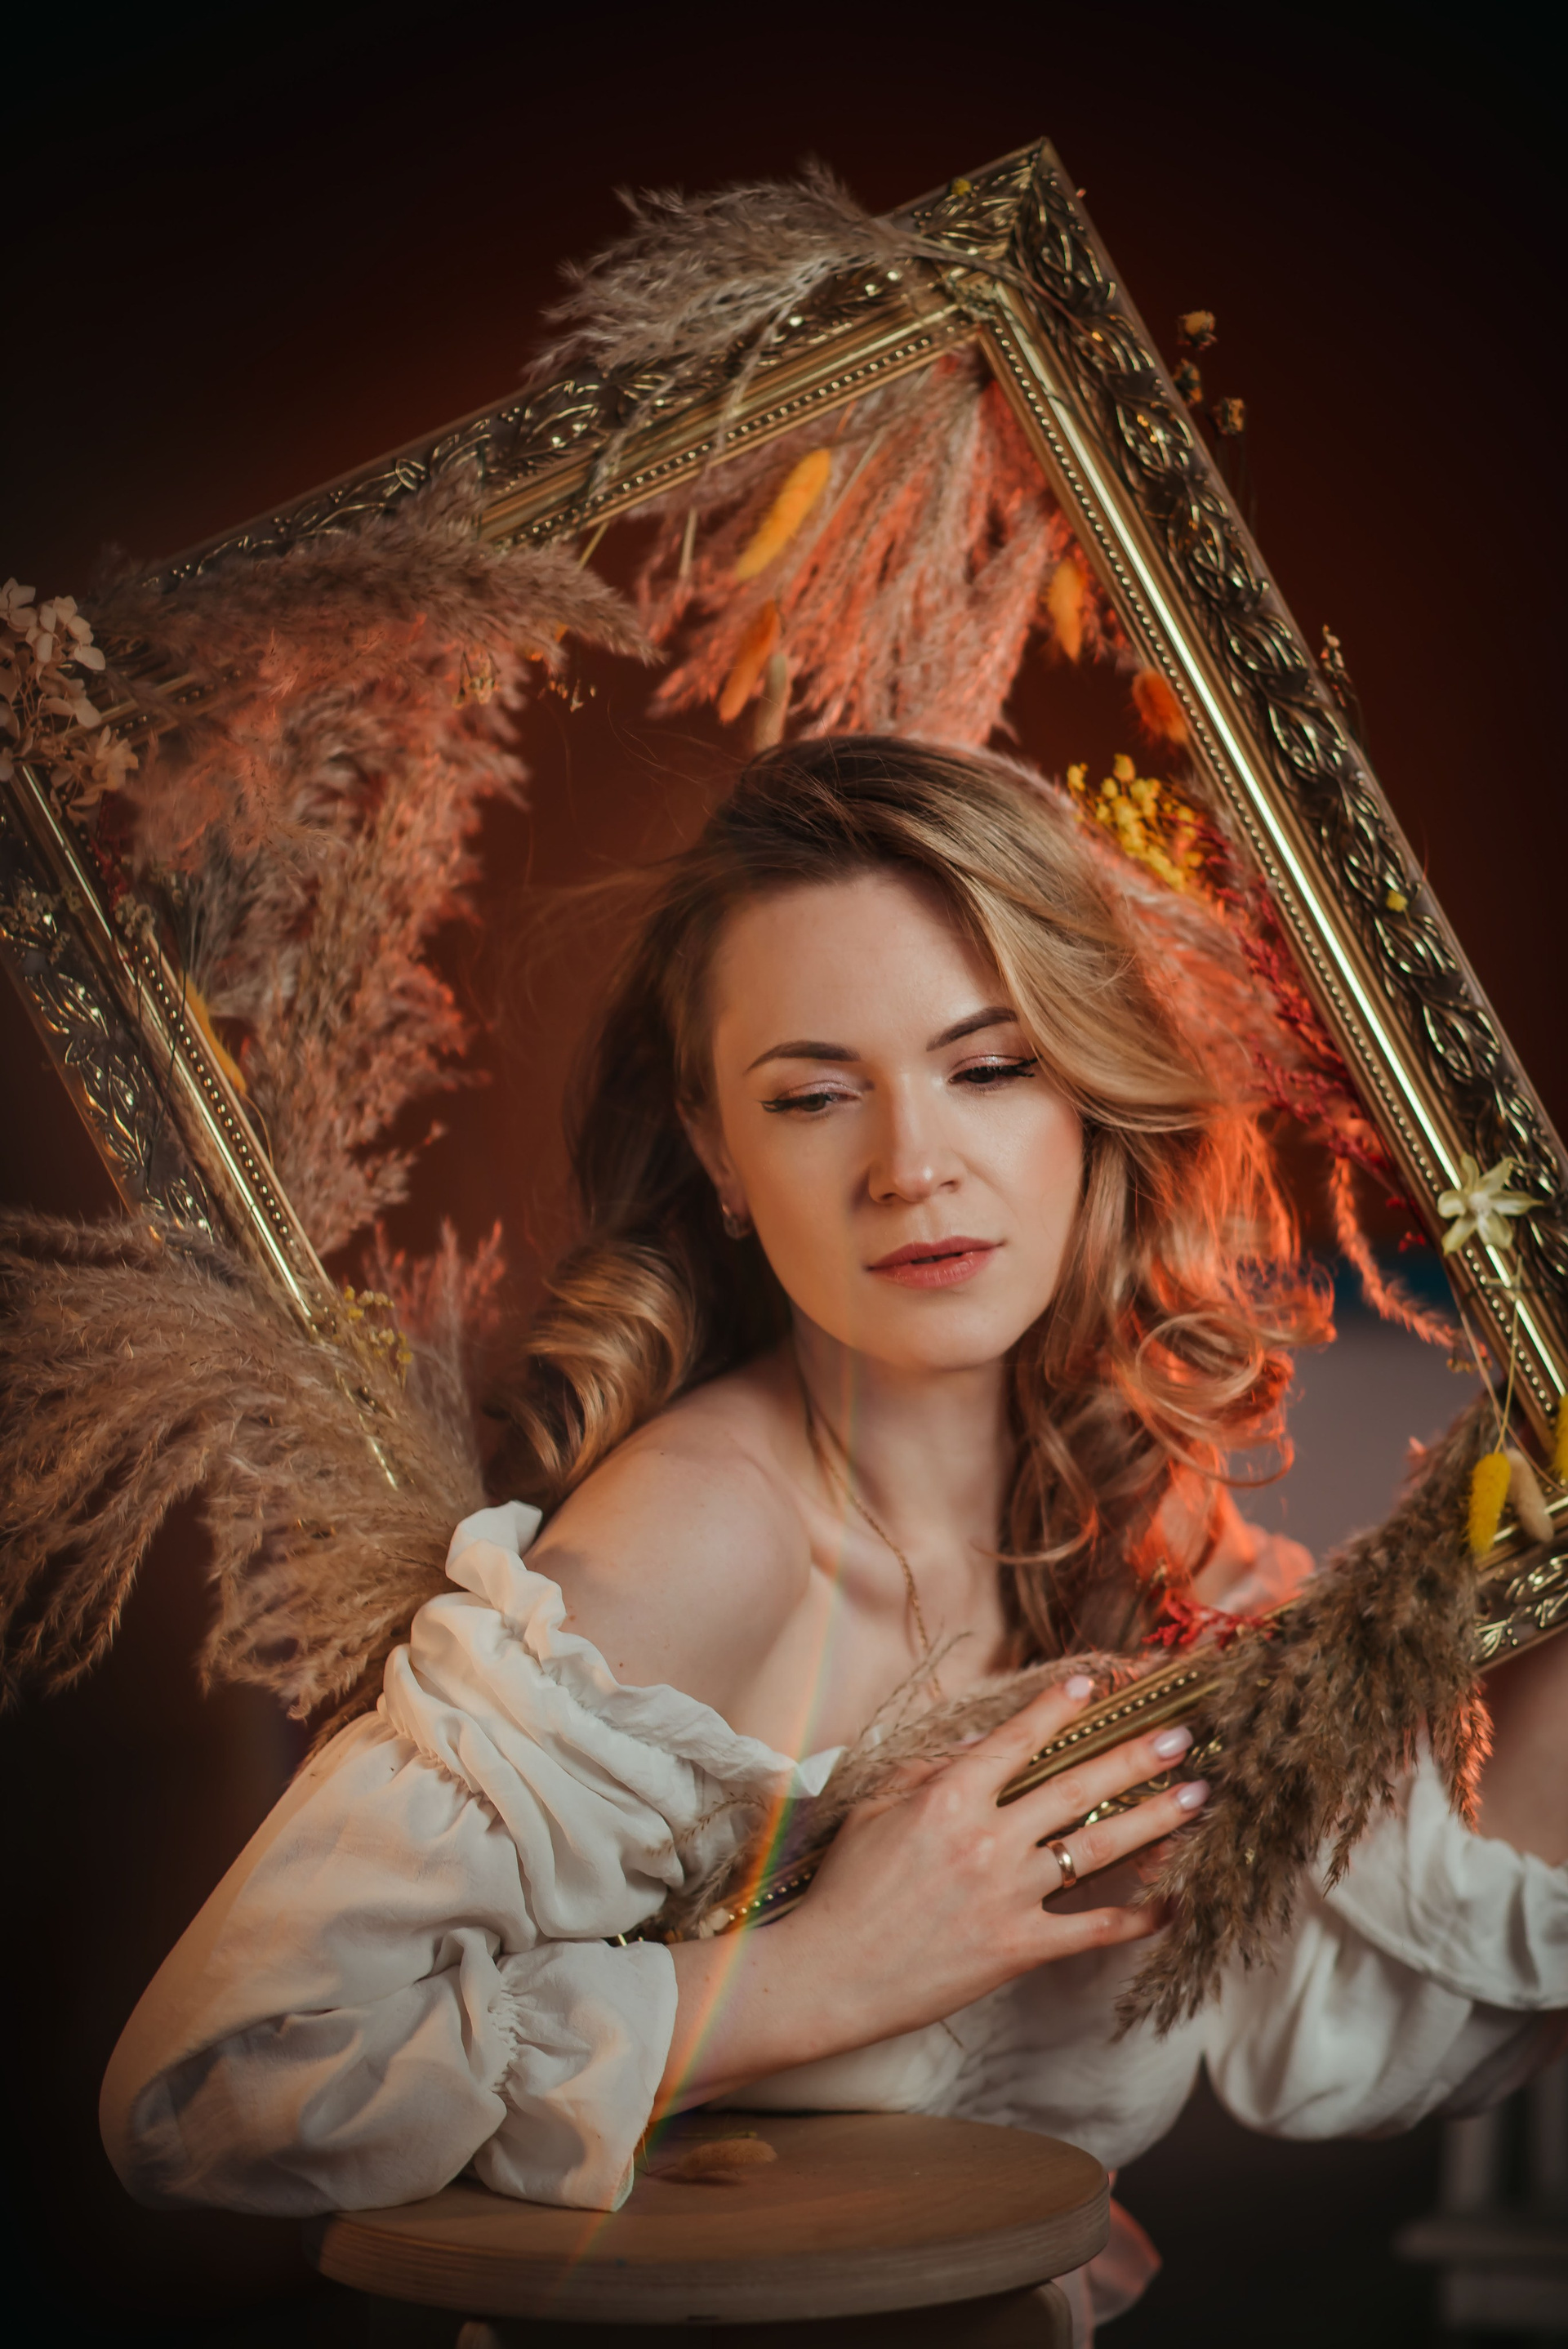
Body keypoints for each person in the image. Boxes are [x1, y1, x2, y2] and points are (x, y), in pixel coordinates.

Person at [101, 738, 1568, 2338]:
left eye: (989, 1068)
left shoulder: (1121, 1504)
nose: (912, 1167)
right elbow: (217, 2092)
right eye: (811, 1096)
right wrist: (820, 1975)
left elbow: (1346, 2030)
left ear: (1088, 1089)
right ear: (719, 1152)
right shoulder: (698, 1545)